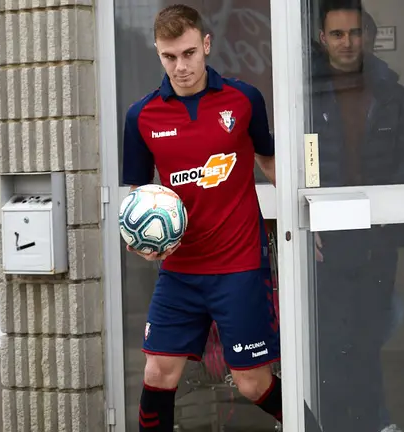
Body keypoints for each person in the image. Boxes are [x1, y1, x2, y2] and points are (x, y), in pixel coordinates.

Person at [121, 4, 281, 431]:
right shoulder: (142, 116)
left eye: (189, 53)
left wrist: (303, 218)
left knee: (251, 383)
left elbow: (269, 162)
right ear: (158, 54)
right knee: (158, 372)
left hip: (239, 266)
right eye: (169, 56)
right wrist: (139, 239)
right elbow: (139, 195)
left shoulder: (243, 100)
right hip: (180, 270)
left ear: (206, 45)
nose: (181, 66)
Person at [309, 0, 404, 430]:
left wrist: (389, 206)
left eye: (355, 33)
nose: (347, 42)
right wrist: (306, 219)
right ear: (323, 39)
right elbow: (292, 161)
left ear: (368, 37)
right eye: (337, 34)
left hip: (376, 237)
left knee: (369, 337)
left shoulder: (391, 91)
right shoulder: (304, 90)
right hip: (326, 238)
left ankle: (373, 422)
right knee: (333, 343)